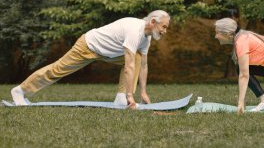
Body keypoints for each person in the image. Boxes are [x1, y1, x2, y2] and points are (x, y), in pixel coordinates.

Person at [11, 10, 170, 109]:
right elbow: (128, 67)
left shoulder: (146, 37)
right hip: (88, 46)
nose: (164, 31)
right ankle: (20, 91)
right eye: (164, 26)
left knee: (138, 58)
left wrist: (143, 92)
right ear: (153, 22)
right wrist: (131, 96)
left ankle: (120, 98)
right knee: (57, 70)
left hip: (109, 53)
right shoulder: (134, 30)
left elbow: (143, 66)